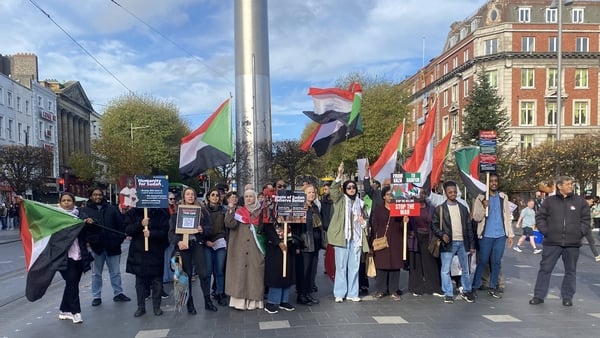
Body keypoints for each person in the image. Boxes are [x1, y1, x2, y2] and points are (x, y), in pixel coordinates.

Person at [529, 176, 590, 307]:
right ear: (559, 186)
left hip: (572, 243)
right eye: (567, 184)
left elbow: (586, 220)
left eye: (571, 184)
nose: (570, 186)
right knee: (545, 269)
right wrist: (546, 231)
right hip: (552, 242)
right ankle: (539, 296)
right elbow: (540, 217)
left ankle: (567, 297)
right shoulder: (549, 201)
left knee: (570, 271)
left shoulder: (580, 202)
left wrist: (579, 233)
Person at [168, 187, 217, 314]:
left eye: (192, 194)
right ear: (184, 196)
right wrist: (178, 242)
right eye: (188, 194)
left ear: (195, 196)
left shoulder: (202, 211)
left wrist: (203, 229)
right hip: (184, 246)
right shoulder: (176, 213)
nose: (190, 196)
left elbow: (210, 229)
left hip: (197, 244)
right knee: (187, 274)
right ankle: (190, 303)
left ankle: (207, 301)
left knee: (203, 274)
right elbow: (171, 233)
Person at [81, 188, 130, 306]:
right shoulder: (85, 211)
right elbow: (82, 230)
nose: (97, 197)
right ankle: (96, 296)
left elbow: (121, 225)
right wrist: (89, 240)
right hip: (96, 247)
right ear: (90, 196)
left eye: (99, 194)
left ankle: (118, 293)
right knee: (96, 273)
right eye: (95, 195)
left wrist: (119, 239)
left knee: (115, 272)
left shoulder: (111, 209)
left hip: (112, 246)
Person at [327, 162, 369, 303]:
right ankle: (339, 292)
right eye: (349, 187)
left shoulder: (361, 202)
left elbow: (365, 222)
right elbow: (333, 190)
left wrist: (362, 221)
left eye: (353, 187)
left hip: (356, 239)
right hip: (342, 237)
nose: (351, 189)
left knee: (354, 267)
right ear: (344, 189)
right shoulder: (340, 200)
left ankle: (352, 293)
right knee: (340, 266)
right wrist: (339, 175)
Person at [431, 181, 476, 304]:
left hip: (463, 243)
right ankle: (448, 293)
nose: (453, 194)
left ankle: (467, 291)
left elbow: (469, 228)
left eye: (455, 192)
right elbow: (434, 225)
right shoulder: (440, 209)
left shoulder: (463, 208)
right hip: (448, 243)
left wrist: (472, 245)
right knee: (445, 270)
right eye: (450, 192)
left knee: (465, 269)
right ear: (445, 193)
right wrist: (442, 235)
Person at [471, 173, 514, 299]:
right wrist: (484, 207)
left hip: (500, 235)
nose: (494, 183)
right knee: (483, 261)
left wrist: (510, 235)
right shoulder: (481, 197)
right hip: (486, 235)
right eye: (492, 181)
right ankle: (474, 286)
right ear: (488, 183)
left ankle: (493, 287)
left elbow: (507, 217)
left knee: (496, 262)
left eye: (496, 181)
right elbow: (476, 217)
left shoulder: (503, 197)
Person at [224, 189, 265, 310]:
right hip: (239, 249)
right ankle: (239, 302)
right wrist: (230, 209)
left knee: (255, 275)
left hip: (255, 249)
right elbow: (229, 224)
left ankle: (254, 302)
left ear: (255, 198)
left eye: (251, 196)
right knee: (240, 275)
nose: (248, 199)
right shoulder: (239, 212)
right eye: (246, 196)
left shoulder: (261, 212)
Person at [56, 192, 94, 324]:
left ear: (74, 202)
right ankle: (76, 312)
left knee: (72, 284)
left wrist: (90, 223)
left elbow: (92, 228)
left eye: (69, 200)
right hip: (65, 257)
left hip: (79, 255)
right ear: (60, 202)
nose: (66, 202)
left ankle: (63, 310)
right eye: (64, 200)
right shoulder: (55, 216)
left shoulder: (80, 214)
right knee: (72, 283)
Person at [125, 207, 170, 317]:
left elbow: (165, 232)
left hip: (155, 252)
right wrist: (140, 224)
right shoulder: (132, 212)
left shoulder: (161, 213)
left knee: (157, 281)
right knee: (140, 281)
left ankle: (156, 306)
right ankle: (141, 307)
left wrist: (152, 234)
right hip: (139, 252)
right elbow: (128, 230)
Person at [369, 186, 404, 301]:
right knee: (381, 266)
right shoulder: (378, 209)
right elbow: (374, 225)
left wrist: (405, 221)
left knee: (395, 266)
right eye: (388, 194)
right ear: (384, 196)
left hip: (396, 240)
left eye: (392, 194)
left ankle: (393, 290)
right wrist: (374, 240)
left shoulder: (399, 209)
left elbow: (402, 227)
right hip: (382, 241)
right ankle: (380, 290)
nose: (390, 197)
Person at [407, 191, 442, 297]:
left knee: (430, 262)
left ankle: (434, 288)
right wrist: (409, 230)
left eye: (423, 193)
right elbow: (406, 224)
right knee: (416, 263)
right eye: (418, 193)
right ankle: (416, 288)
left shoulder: (431, 208)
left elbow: (436, 223)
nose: (421, 195)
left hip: (429, 237)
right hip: (415, 238)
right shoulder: (410, 208)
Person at [296, 184, 322, 305]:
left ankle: (308, 293)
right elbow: (296, 226)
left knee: (312, 270)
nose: (312, 194)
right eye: (309, 192)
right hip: (305, 243)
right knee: (304, 270)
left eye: (313, 192)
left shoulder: (315, 206)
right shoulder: (301, 207)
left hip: (315, 242)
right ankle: (301, 294)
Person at [263, 219, 297, 314]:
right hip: (274, 246)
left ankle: (284, 300)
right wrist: (278, 242)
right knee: (276, 273)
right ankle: (272, 302)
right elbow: (267, 227)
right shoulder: (269, 207)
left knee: (287, 272)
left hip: (288, 243)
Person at [203, 188, 229, 306]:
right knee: (208, 271)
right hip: (207, 242)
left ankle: (220, 293)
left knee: (219, 270)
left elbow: (227, 227)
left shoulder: (224, 210)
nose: (215, 197)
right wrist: (205, 241)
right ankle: (207, 295)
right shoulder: (203, 211)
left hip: (220, 240)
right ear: (208, 197)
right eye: (212, 195)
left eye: (217, 195)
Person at [583, 196, 600, 261]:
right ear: (587, 200)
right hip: (584, 226)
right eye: (591, 201)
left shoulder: (586, 206)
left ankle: (597, 255)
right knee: (590, 242)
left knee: (591, 241)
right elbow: (588, 215)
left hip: (587, 227)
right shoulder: (584, 207)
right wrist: (596, 213)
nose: (592, 202)